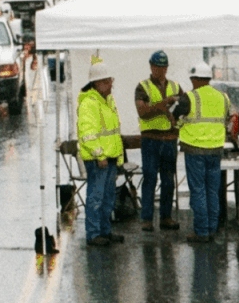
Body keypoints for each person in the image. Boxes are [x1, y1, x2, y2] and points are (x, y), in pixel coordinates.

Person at [133, 50, 186, 233]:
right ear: (151, 66)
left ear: (167, 67)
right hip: (151, 140)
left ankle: (166, 217)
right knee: (149, 178)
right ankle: (146, 219)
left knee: (168, 180)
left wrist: (175, 119)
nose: (160, 70)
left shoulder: (176, 86)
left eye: (163, 67)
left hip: (170, 139)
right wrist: (163, 104)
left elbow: (184, 108)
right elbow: (142, 112)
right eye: (157, 67)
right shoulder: (142, 87)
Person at [180, 62, 233, 243]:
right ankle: (212, 228)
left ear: (194, 79)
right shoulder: (223, 97)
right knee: (212, 190)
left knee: (198, 191)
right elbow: (228, 119)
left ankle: (201, 231)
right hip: (215, 150)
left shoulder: (189, 97)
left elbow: (173, 116)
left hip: (194, 149)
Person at [77, 60, 126, 248]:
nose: (111, 84)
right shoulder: (89, 104)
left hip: (108, 157)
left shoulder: (106, 100)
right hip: (100, 159)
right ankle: (94, 234)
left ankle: (104, 231)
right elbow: (87, 134)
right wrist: (99, 155)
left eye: (110, 80)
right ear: (97, 83)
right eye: (107, 81)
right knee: (96, 198)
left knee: (107, 198)